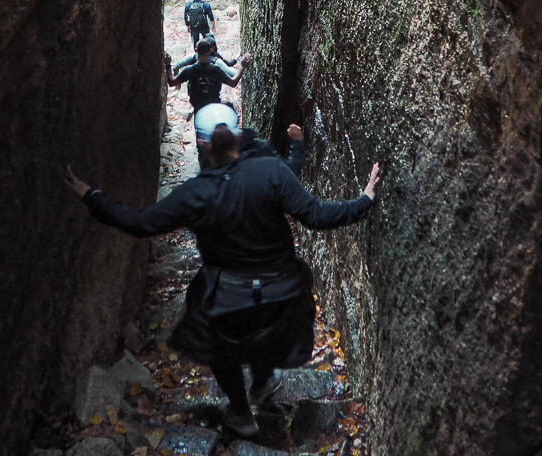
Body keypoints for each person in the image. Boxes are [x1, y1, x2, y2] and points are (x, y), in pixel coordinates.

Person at [65, 129, 380, 439]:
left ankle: (242, 412)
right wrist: (364, 200)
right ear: (237, 143)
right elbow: (315, 213)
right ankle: (262, 382)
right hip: (280, 292)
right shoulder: (271, 171)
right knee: (266, 326)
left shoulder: (195, 193)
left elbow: (140, 222)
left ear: (204, 149)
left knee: (221, 344)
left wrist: (92, 196)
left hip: (229, 299)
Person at [193, 102, 305, 179]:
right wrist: (297, 141)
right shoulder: (259, 150)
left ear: (201, 142)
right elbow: (290, 171)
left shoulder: (206, 165)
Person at [164, 40, 251, 120]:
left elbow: (172, 82)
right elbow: (233, 83)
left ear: (196, 50)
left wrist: (168, 65)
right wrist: (242, 66)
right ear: (210, 51)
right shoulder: (216, 70)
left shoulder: (189, 70)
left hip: (198, 109)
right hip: (213, 107)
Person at [172, 33, 237, 75]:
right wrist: (241, 65)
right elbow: (232, 73)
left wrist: (177, 85)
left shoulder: (192, 57)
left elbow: (176, 67)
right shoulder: (217, 60)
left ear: (196, 50)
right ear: (212, 49)